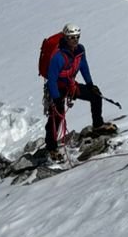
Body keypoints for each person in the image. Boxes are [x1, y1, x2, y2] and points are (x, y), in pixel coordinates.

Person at [42, 23, 113, 156]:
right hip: (57, 89)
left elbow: (83, 66)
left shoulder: (80, 51)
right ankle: (51, 146)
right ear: (65, 38)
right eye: (71, 37)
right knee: (56, 116)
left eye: (77, 37)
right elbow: (52, 80)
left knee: (95, 96)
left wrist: (90, 84)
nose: (75, 40)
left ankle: (98, 125)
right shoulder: (58, 57)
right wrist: (56, 98)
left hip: (70, 86)